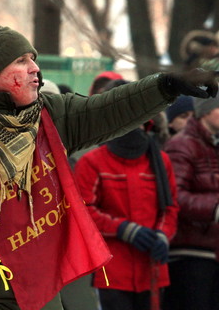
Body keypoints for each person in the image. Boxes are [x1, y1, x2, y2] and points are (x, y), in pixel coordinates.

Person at [0, 23, 219, 310]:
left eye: (33, 59)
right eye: (22, 61)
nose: (35, 68)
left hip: (45, 287)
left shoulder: (48, 116)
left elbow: (109, 109)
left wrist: (165, 86)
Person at [74, 81, 179, 310]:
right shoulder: (92, 163)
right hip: (112, 273)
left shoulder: (160, 161)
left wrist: (162, 235)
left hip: (152, 268)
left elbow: (170, 208)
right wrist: (123, 229)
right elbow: (83, 213)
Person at [163, 85, 219, 310]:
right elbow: (176, 195)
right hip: (189, 258)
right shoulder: (182, 146)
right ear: (205, 110)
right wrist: (218, 211)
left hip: (214, 256)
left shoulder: (217, 149)